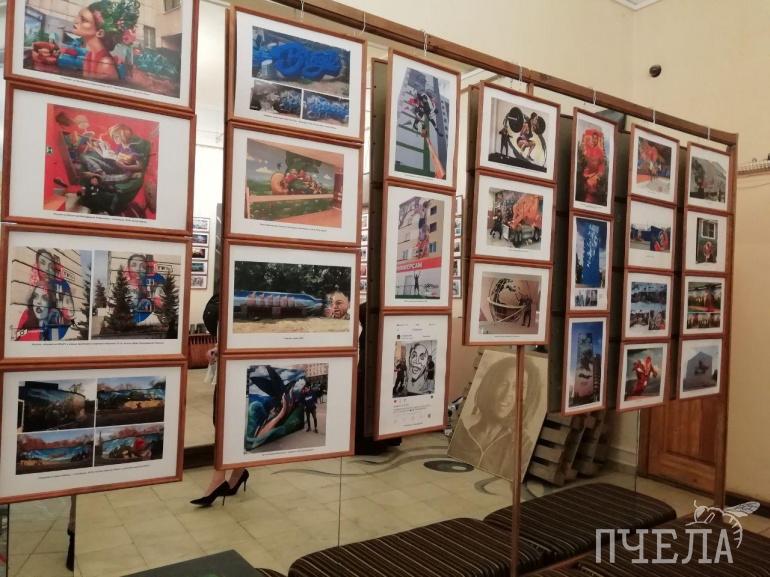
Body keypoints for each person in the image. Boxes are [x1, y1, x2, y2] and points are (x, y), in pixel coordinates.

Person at [191, 293, 249, 507]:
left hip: (241, 369)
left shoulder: (244, 298)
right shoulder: (227, 295)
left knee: (227, 423)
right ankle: (238, 471)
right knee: (224, 423)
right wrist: (218, 348)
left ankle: (219, 479)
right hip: (228, 367)